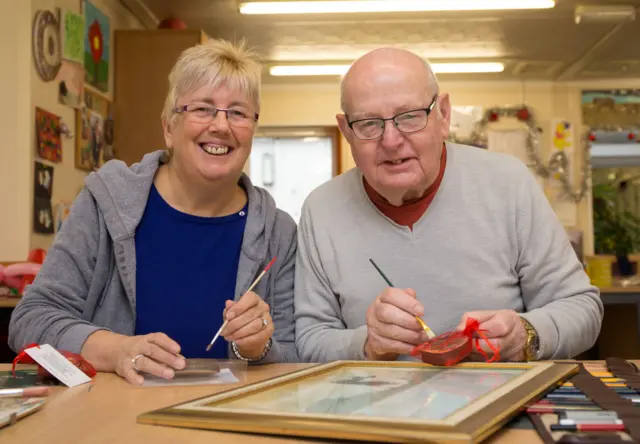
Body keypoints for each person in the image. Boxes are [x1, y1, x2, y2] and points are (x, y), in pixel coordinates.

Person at [9, 39, 298, 385]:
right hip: (110, 422)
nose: (221, 126)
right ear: (168, 128)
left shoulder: (278, 232)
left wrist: (258, 349)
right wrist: (114, 350)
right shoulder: (105, 202)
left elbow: (295, 354)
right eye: (202, 108)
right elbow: (30, 319)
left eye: (237, 113)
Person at [294, 48, 603, 363]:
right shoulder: (322, 210)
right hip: (374, 408)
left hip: (498, 404)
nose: (390, 141)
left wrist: (525, 334)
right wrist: (367, 344)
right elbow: (309, 340)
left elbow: (582, 308)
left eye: (410, 117)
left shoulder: (507, 183)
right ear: (346, 131)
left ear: (443, 114)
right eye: (369, 124)